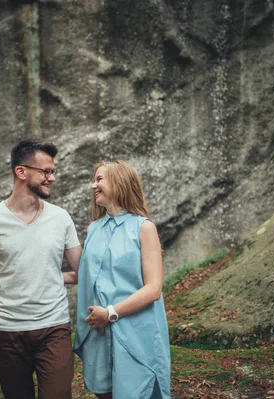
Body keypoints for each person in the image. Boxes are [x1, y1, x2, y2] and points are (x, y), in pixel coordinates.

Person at [0, 139, 82, 399]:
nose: (52, 178)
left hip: (53, 328)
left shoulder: (61, 218)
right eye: (46, 171)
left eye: (53, 171)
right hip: (7, 332)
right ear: (21, 172)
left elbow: (84, 271)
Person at [73, 160, 171, 399]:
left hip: (136, 331)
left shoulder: (144, 228)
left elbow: (153, 288)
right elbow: (88, 274)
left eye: (99, 179)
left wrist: (110, 313)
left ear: (120, 183)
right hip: (98, 331)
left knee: (139, 391)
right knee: (104, 391)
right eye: (93, 180)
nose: (93, 185)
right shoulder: (93, 229)